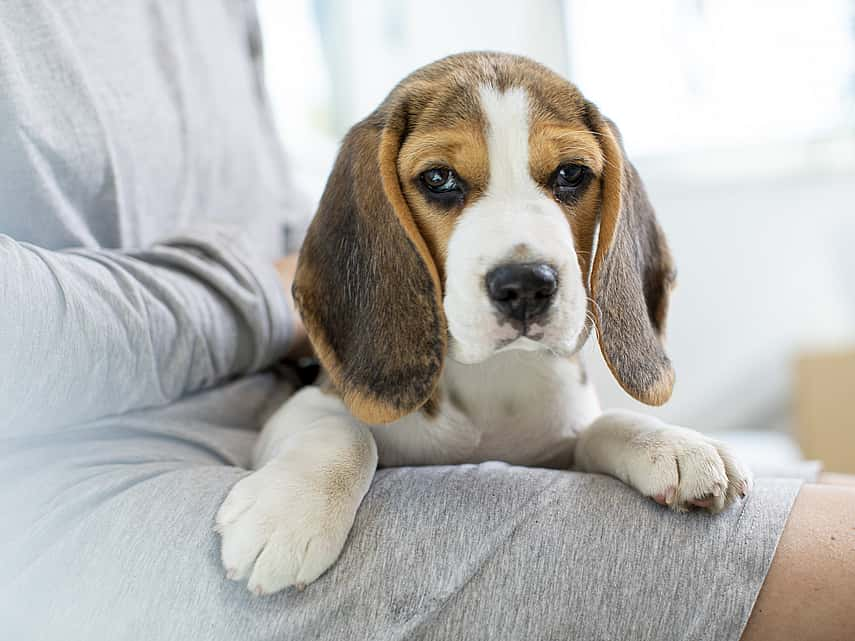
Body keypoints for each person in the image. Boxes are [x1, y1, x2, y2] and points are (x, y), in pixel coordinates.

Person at [0, 2, 852, 640]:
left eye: (566, 178)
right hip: (92, 490)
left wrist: (623, 436)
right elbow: (326, 401)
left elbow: (568, 438)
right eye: (443, 182)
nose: (523, 256)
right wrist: (330, 456)